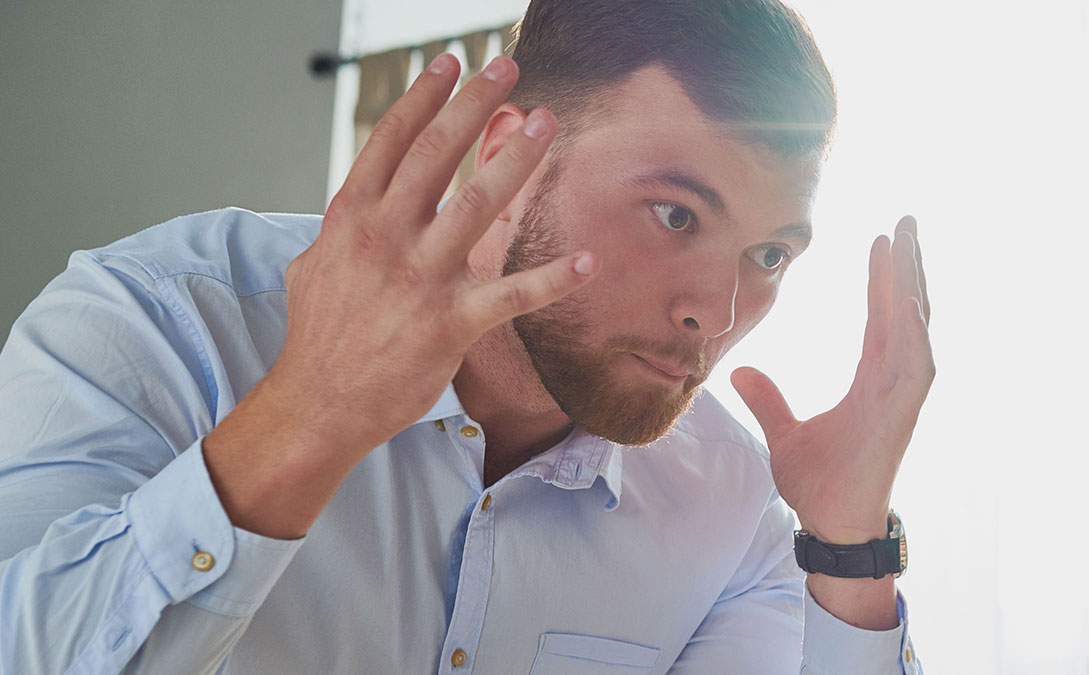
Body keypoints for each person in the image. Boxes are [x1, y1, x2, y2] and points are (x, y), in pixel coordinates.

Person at [0, 0, 934, 672]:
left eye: (769, 254)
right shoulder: (161, 323)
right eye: (675, 216)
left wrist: (850, 550)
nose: (717, 313)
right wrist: (308, 416)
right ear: (506, 157)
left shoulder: (732, 506)